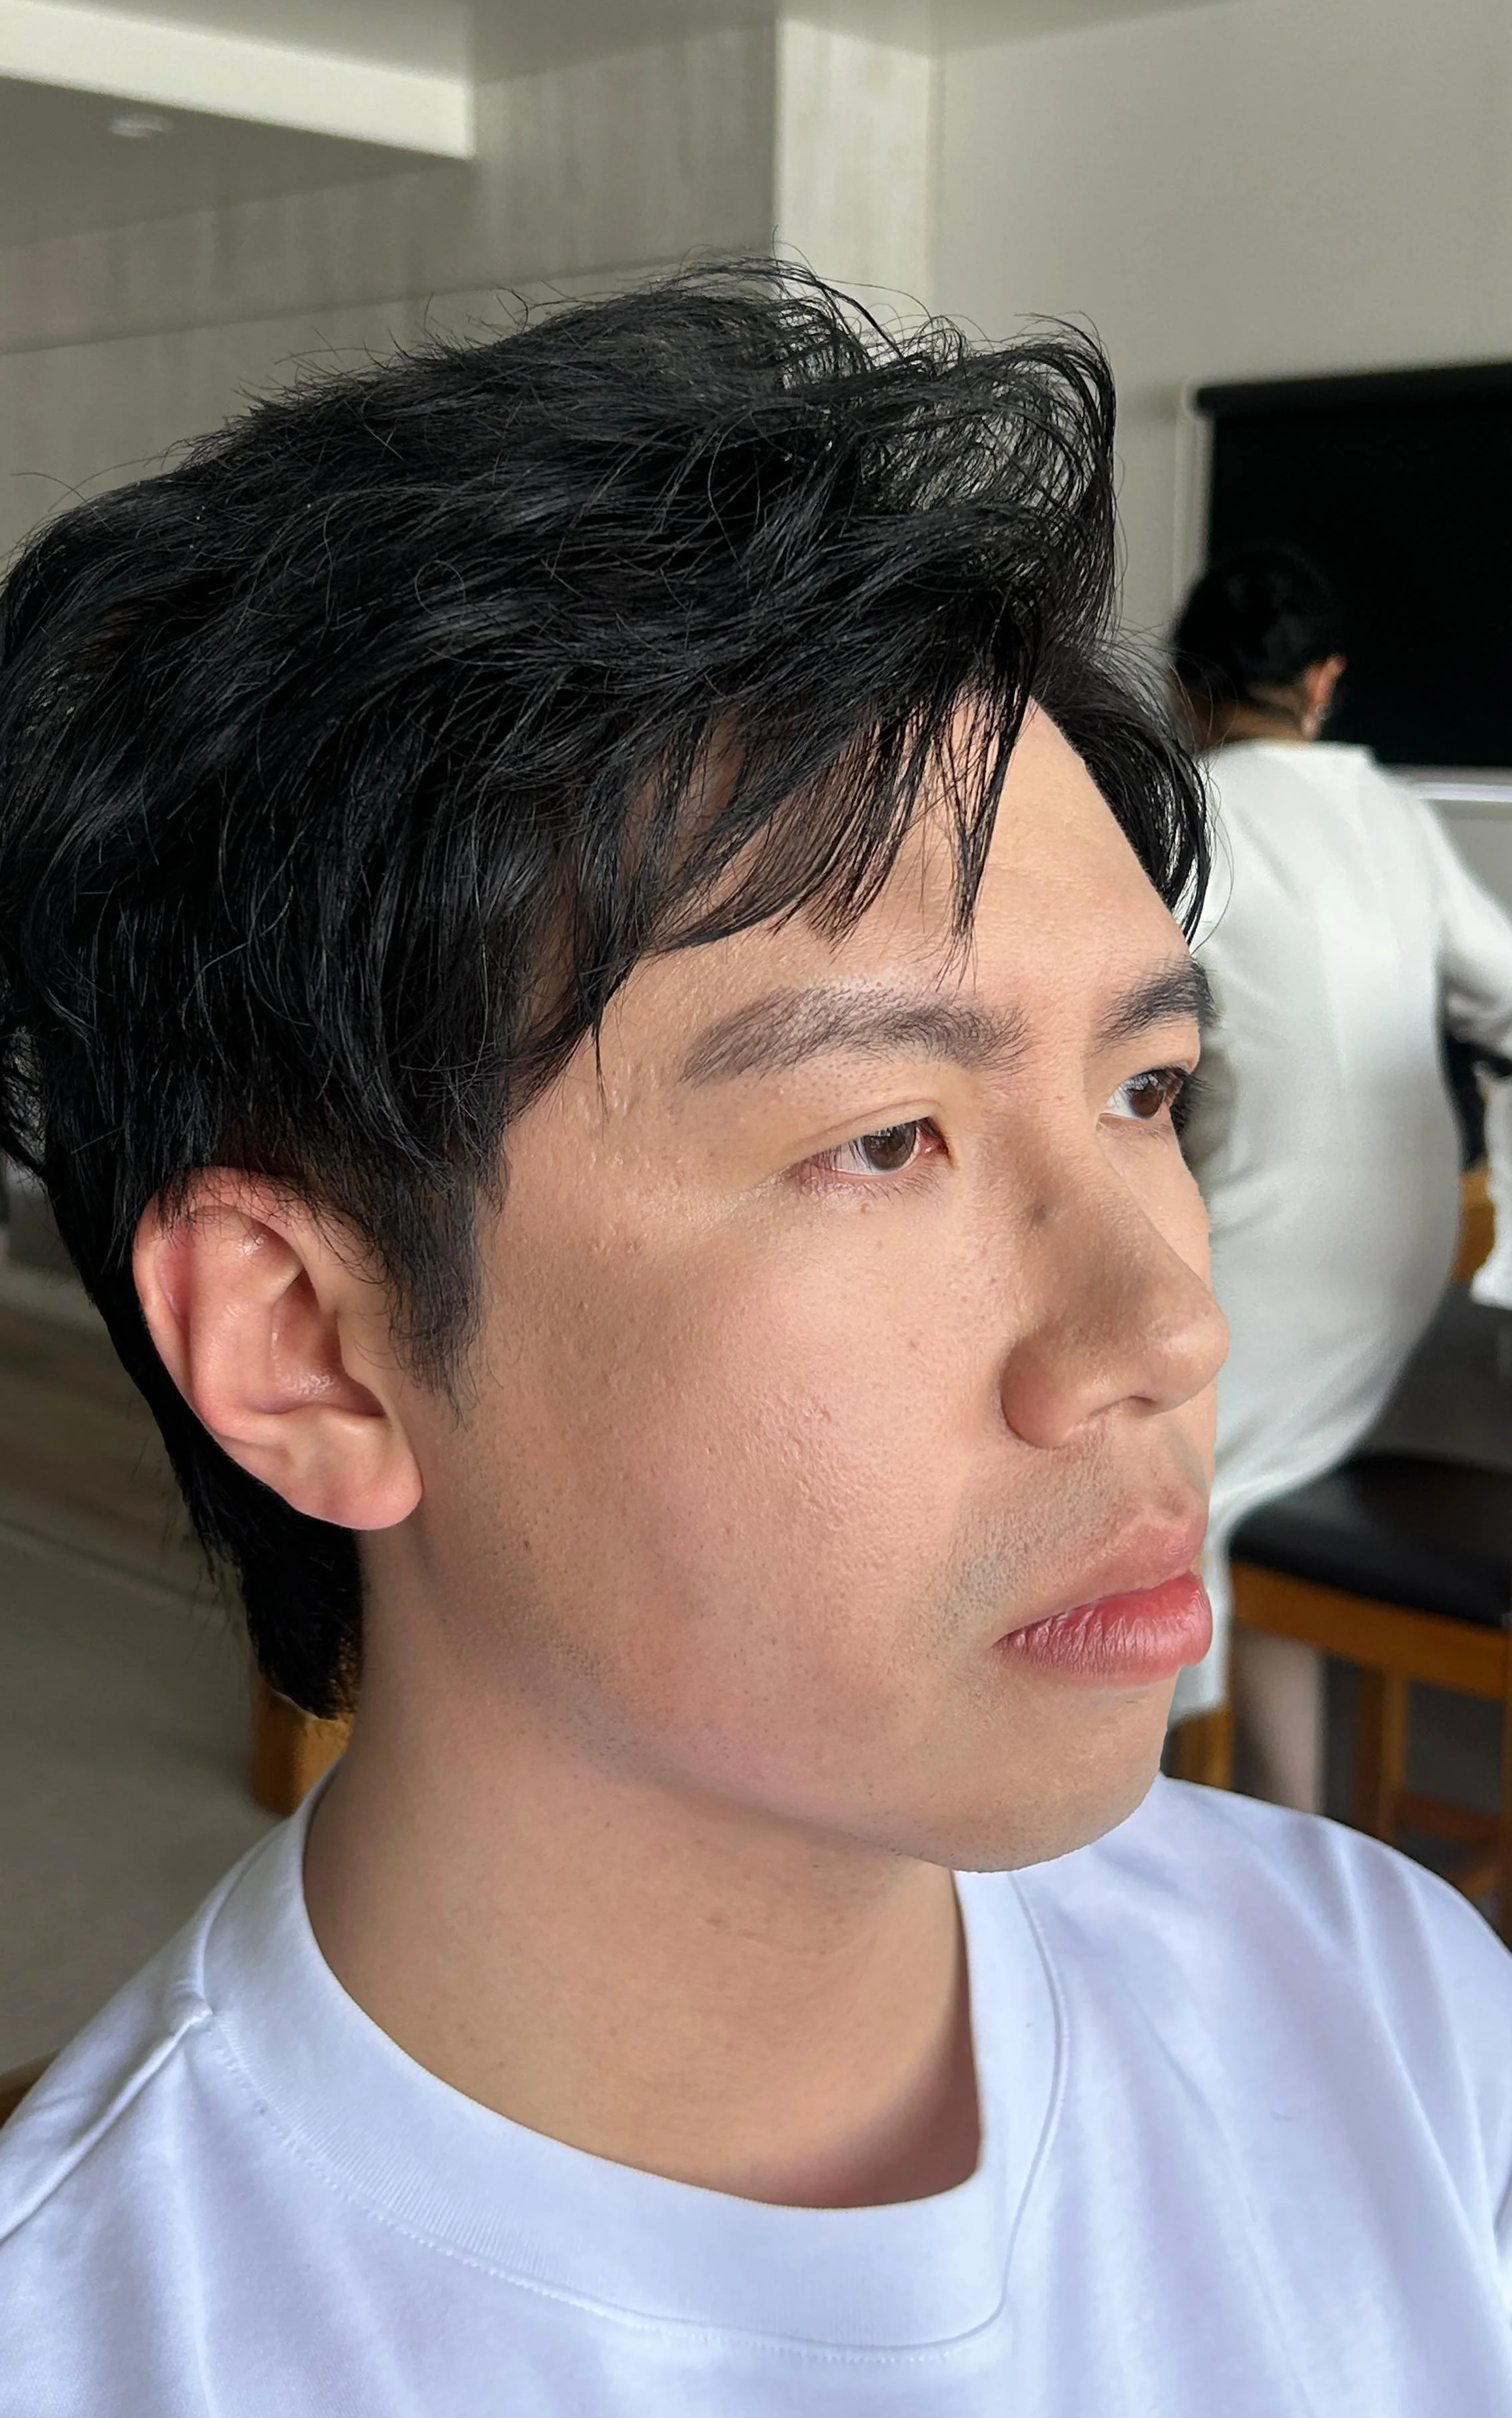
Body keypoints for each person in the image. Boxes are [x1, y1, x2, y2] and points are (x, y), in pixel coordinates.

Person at [0, 275, 1509, 2416]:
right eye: (883, 1139)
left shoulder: (1392, 2016)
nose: (1168, 1326)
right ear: (310, 1345)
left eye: (1144, 1092)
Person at [1169, 548, 1512, 1807]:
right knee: (1256, 1498)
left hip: (1269, 1260)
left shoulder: (1187, 811)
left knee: (1139, 1484)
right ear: (1323, 683)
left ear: (1185, 685)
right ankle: (1284, 1820)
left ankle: (1137, 1818)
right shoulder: (1391, 812)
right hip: (1406, 1264)